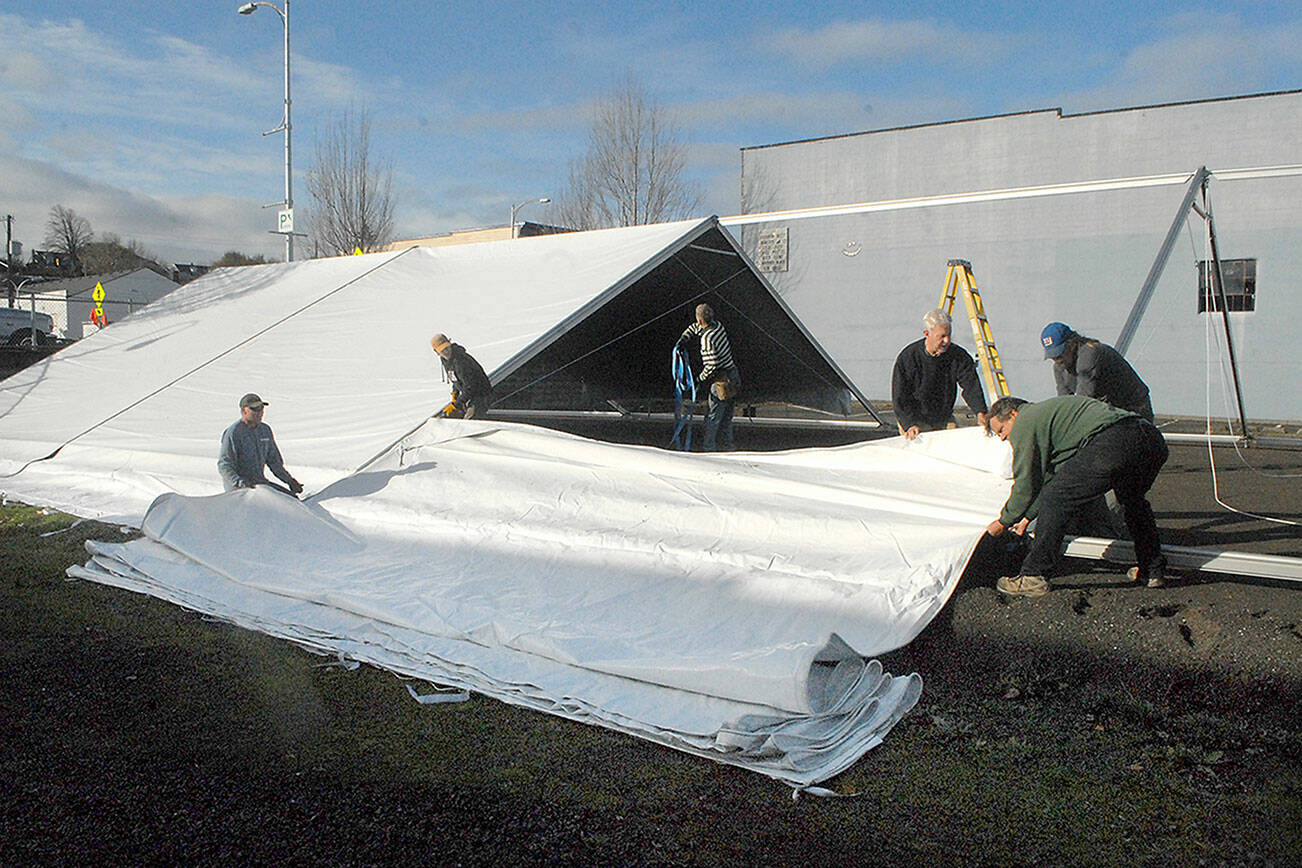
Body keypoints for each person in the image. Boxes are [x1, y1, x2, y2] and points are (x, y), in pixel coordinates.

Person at [984, 394, 1169, 597]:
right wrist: (1028, 517)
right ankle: (1152, 570)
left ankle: (1033, 575)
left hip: (1114, 441)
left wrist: (1004, 521)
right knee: (1133, 502)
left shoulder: (1026, 421)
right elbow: (1054, 478)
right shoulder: (1059, 421)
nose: (1002, 437)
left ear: (1013, 414)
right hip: (1150, 439)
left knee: (1057, 497)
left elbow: (1027, 482)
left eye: (1001, 430)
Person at [891, 309, 988, 439]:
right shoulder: (908, 358)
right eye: (941, 336)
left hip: (943, 417)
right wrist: (909, 424)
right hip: (915, 419)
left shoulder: (958, 356)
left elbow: (970, 385)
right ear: (927, 334)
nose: (946, 341)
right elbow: (900, 395)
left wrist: (980, 412)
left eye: (949, 335)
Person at [1040, 322, 1153, 421]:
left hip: (1133, 410)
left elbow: (1083, 401)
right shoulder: (1059, 368)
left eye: (1060, 353)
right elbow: (1064, 404)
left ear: (1072, 343)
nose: (1057, 360)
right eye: (1053, 356)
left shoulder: (1090, 353)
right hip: (1108, 411)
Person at [676, 303, 741, 451]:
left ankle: (708, 448)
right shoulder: (718, 326)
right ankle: (728, 445)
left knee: (714, 417)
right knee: (727, 416)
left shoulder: (707, 339)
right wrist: (684, 338)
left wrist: (699, 379)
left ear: (700, 320)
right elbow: (695, 327)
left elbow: (711, 365)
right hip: (733, 374)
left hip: (721, 380)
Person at [217, 393, 304, 496]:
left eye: (261, 409)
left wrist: (289, 481)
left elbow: (274, 462)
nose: (259, 413)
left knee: (290, 499)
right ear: (244, 411)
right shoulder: (233, 433)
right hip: (239, 490)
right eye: (254, 409)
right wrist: (240, 483)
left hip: (259, 483)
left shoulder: (265, 430)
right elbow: (224, 465)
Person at [431, 333, 492, 419]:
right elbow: (455, 377)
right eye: (442, 350)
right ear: (436, 352)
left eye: (447, 348)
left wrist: (456, 404)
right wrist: (455, 392)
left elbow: (469, 386)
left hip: (480, 395)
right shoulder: (446, 360)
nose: (446, 352)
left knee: (469, 421)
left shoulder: (461, 360)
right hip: (468, 395)